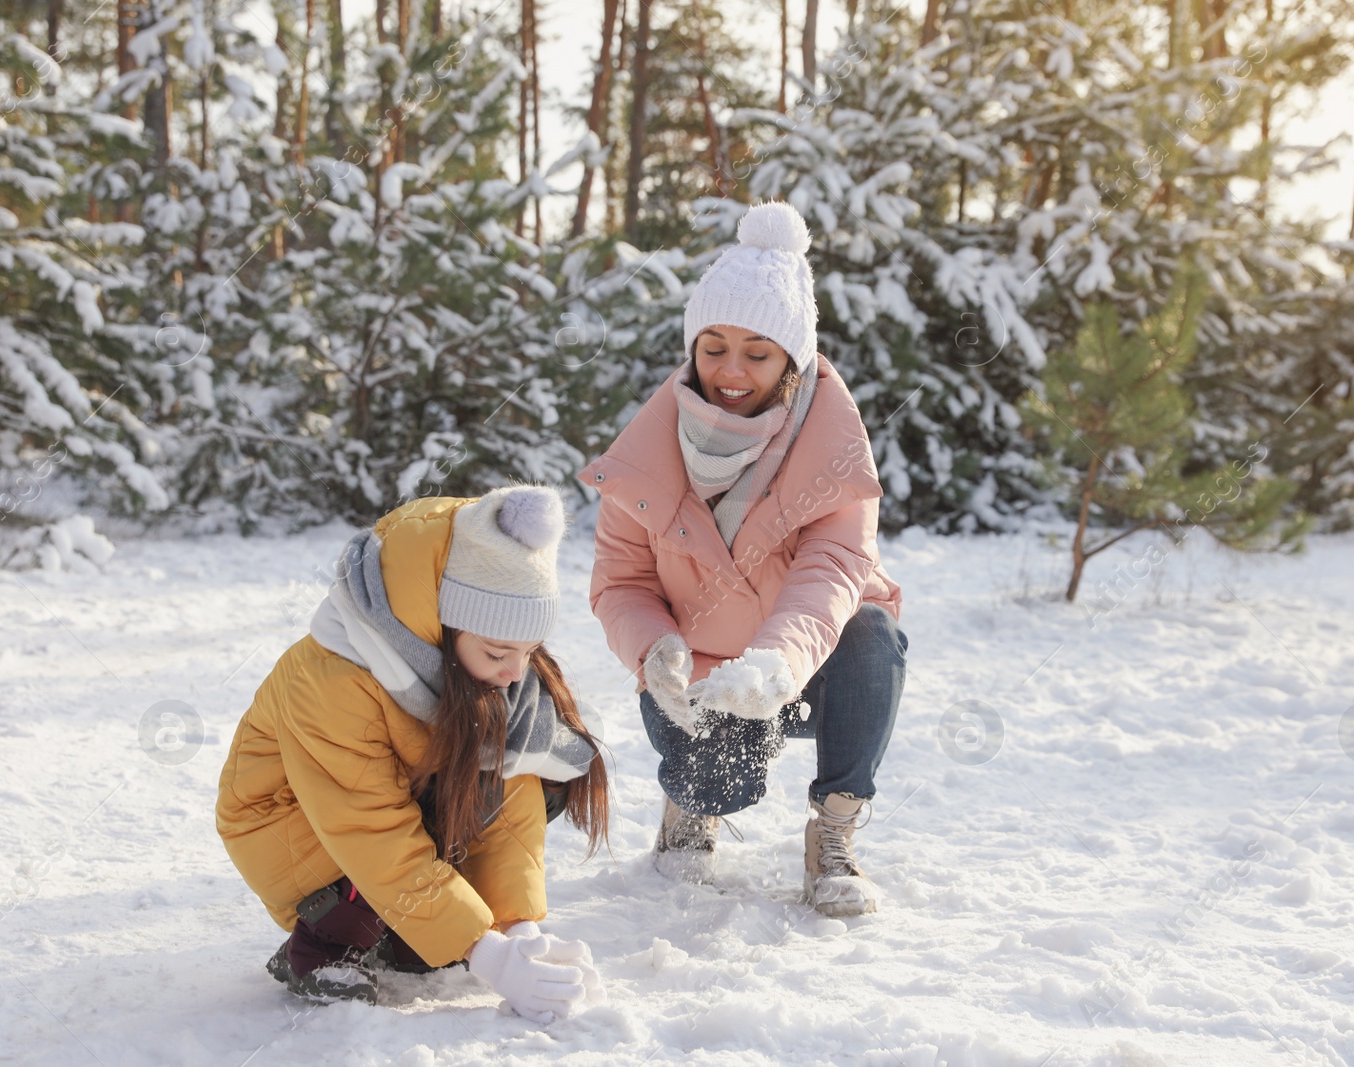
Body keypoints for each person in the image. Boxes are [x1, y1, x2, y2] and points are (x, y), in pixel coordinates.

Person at [577, 201, 907, 917]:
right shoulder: (648, 450)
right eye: (713, 346)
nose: (730, 369)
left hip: (796, 665)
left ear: (793, 361)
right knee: (724, 781)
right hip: (694, 677)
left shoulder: (833, 447)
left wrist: (775, 666)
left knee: (872, 633)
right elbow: (619, 583)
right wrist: (655, 647)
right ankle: (690, 806)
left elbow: (833, 570)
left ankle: (836, 832)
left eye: (757, 353)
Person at [215, 485, 608, 1017]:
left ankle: (404, 932)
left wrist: (518, 930)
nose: (516, 673)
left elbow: (509, 795)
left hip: (380, 812)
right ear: (442, 629)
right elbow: (369, 828)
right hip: (291, 827)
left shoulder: (484, 672)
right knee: (425, 879)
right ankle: (323, 946)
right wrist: (487, 956)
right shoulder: (332, 676)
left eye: (528, 652)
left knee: (521, 765)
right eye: (499, 653)